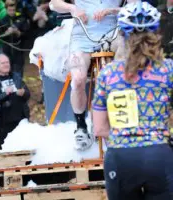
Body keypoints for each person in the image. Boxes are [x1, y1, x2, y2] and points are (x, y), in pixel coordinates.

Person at [92, 2, 173, 199]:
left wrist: (125, 138)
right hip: (159, 155)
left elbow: (100, 129)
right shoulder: (168, 70)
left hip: (121, 158)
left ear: (122, 35)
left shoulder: (108, 74)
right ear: (156, 35)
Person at [50, 0, 123, 151]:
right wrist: (71, 8)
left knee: (122, 73)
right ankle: (81, 126)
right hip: (83, 34)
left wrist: (113, 10)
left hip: (113, 33)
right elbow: (53, 4)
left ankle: (122, 123)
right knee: (77, 78)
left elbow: (136, 6)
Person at [0, 54, 30, 149]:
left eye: (7, 62)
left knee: (22, 145)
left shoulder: (16, 77)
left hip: (20, 118)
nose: (6, 65)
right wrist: (5, 94)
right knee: (4, 147)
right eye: (3, 63)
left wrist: (24, 93)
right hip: (2, 121)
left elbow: (27, 94)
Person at [0, 2, 29, 77]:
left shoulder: (21, 19)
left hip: (18, 50)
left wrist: (18, 33)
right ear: (6, 10)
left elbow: (27, 34)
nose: (11, 12)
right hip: (7, 50)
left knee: (18, 71)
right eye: (9, 10)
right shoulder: (2, 20)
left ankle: (18, 86)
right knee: (7, 70)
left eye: (13, 10)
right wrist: (6, 33)